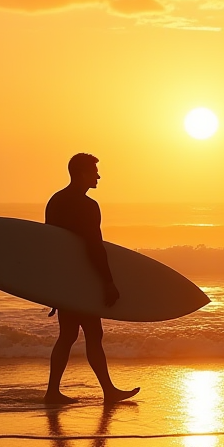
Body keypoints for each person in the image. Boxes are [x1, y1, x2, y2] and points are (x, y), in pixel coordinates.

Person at [43, 153, 139, 404]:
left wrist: (51, 286)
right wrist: (107, 282)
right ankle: (108, 392)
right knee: (93, 333)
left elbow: (50, 246)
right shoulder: (87, 206)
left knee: (68, 334)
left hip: (65, 280)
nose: (98, 176)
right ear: (82, 173)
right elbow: (94, 247)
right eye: (94, 171)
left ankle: (53, 391)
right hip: (83, 280)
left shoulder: (56, 201)